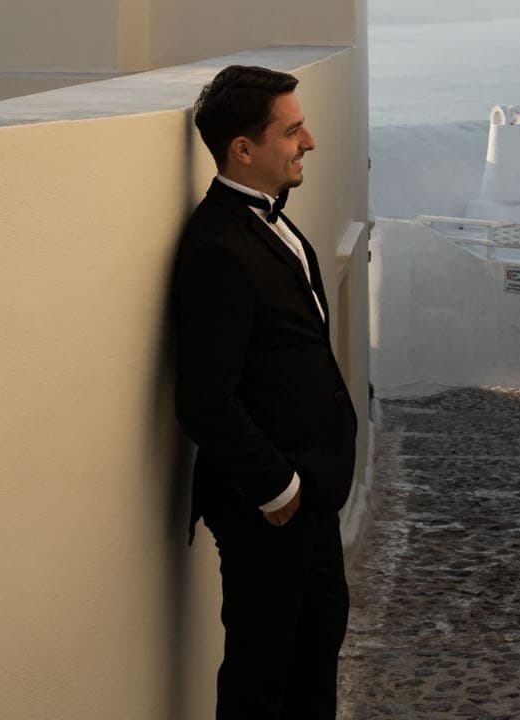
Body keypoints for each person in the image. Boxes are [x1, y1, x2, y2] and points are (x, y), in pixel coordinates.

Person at [172, 64, 359, 720]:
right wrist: (280, 491)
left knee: (315, 655)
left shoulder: (269, 224)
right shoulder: (219, 247)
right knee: (261, 680)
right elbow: (203, 397)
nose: (308, 141)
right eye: (293, 130)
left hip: (310, 499)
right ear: (242, 150)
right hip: (269, 507)